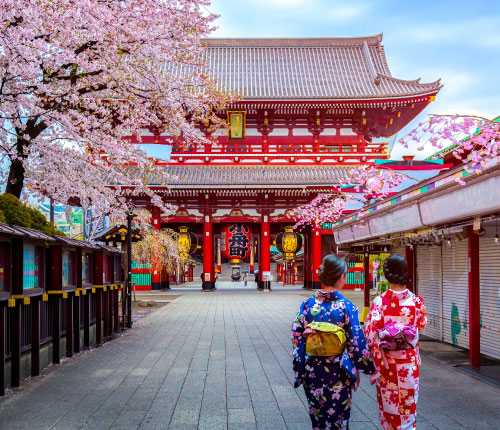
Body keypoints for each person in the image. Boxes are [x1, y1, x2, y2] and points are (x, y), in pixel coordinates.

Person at [291, 254, 375, 430]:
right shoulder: (346, 306)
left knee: (318, 418)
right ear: (341, 276)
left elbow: (296, 335)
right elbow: (356, 342)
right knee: (339, 419)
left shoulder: (307, 305)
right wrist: (364, 366)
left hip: (312, 370)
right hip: (338, 371)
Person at [364, 255, 427, 430]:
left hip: (387, 366)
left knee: (389, 412)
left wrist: (378, 356)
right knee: (408, 410)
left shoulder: (379, 303)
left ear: (386, 274)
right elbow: (420, 326)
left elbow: (370, 334)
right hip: (408, 366)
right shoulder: (416, 302)